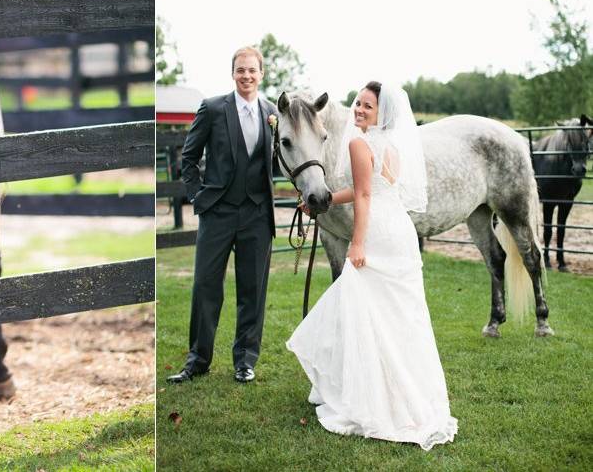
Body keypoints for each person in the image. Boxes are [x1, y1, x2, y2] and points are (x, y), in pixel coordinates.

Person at [286, 81, 458, 449]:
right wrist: (327, 198)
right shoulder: (392, 145)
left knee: (355, 309)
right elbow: (373, 187)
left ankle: (366, 396)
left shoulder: (359, 143)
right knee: (396, 316)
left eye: (368, 106)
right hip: (400, 230)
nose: (359, 110)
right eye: (358, 104)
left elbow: (365, 194)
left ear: (382, 113)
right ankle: (401, 394)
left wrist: (358, 242)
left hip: (377, 233)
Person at [167, 46, 278, 384]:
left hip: (257, 214)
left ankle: (245, 360)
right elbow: (188, 158)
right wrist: (198, 199)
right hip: (217, 213)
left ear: (261, 74)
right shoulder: (214, 108)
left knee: (252, 290)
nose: (246, 76)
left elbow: (278, 160)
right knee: (205, 286)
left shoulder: (273, 113)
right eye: (241, 70)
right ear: (233, 73)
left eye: (252, 70)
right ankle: (197, 360)